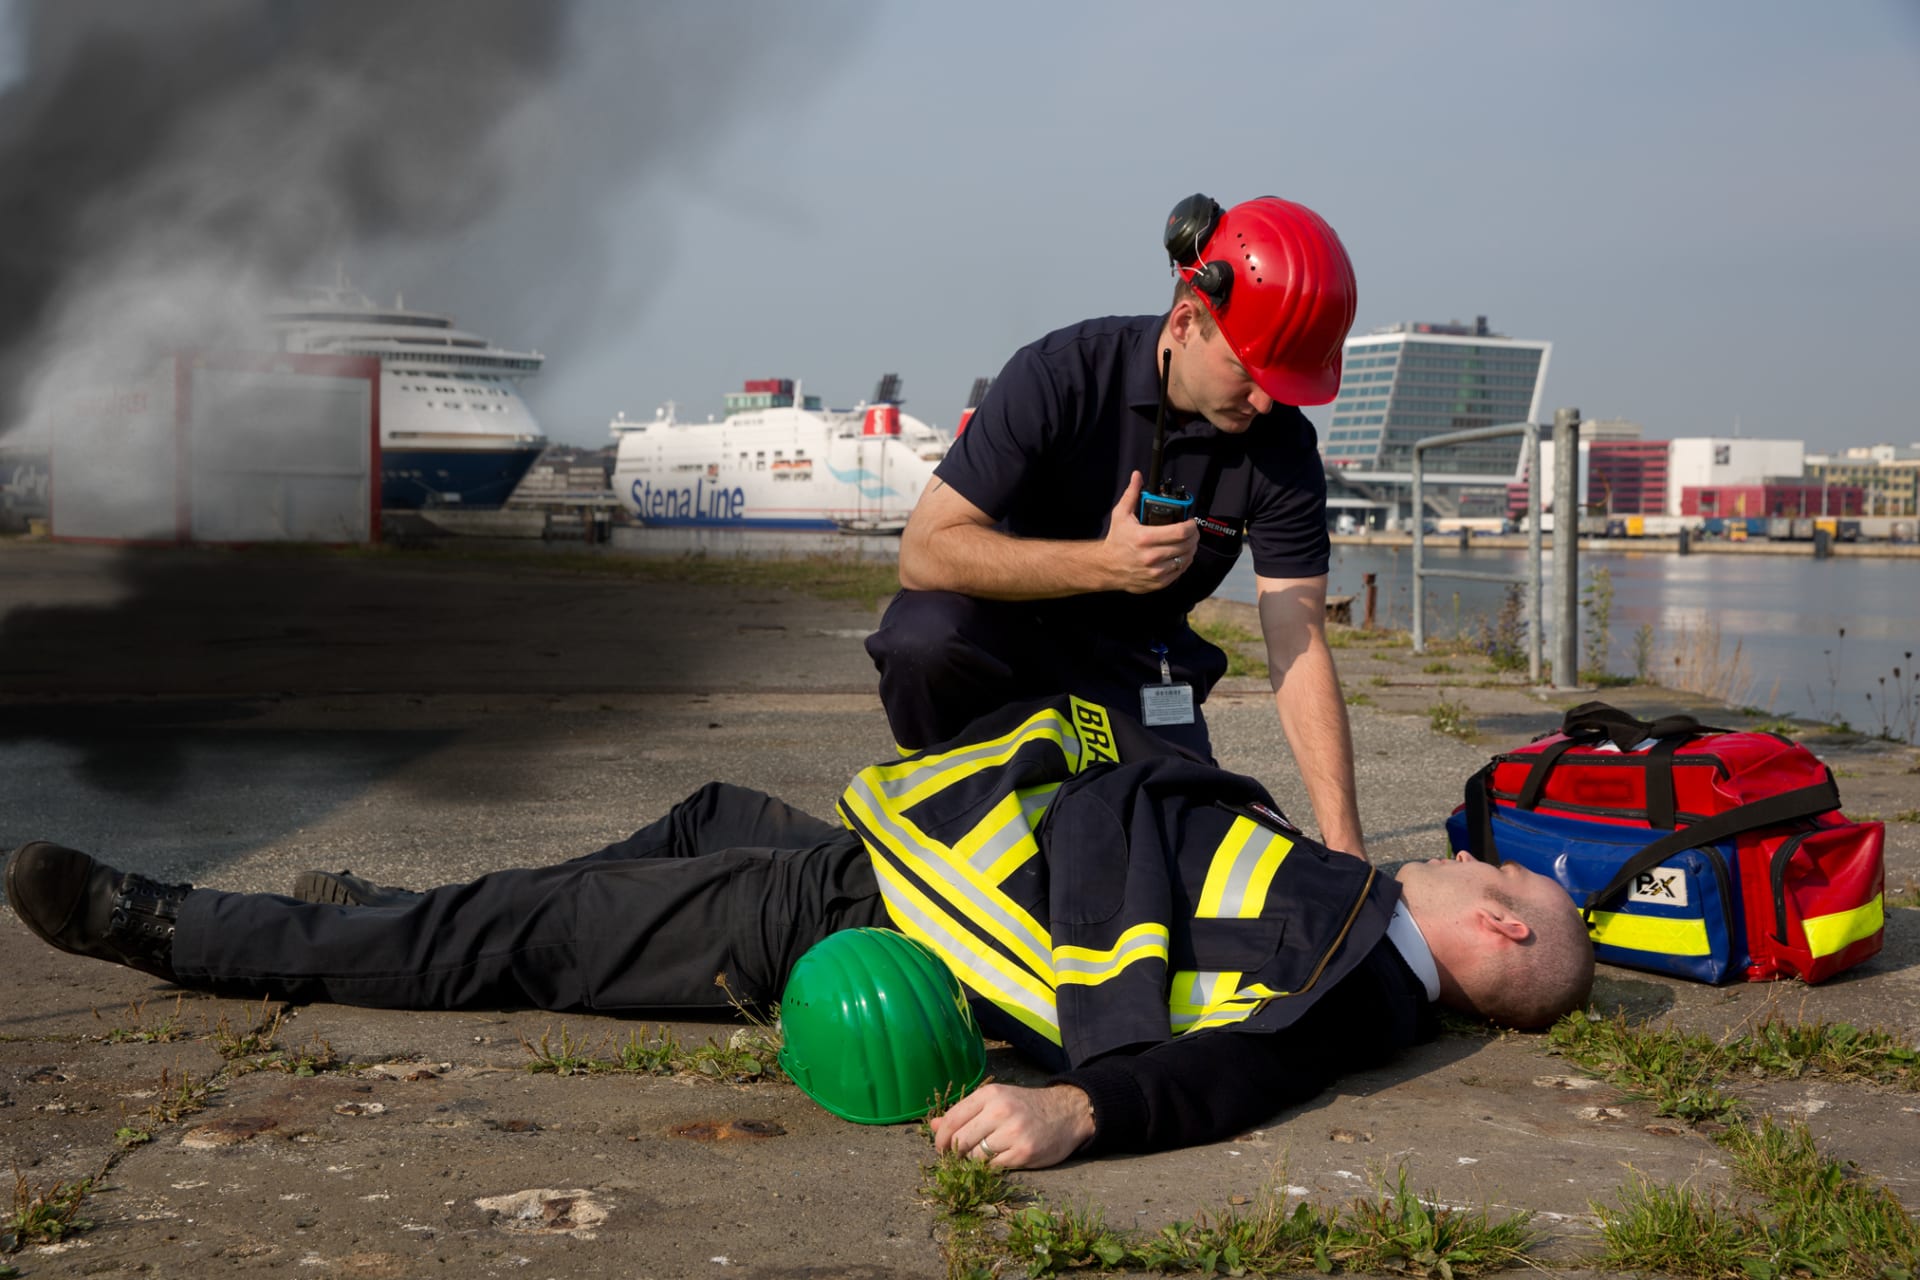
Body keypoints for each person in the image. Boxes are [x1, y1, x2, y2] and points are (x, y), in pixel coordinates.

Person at [5, 697, 1592, 1170]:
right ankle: (406, 923)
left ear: (1504, 935)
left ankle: (181, 928)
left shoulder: (1346, 965)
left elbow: (1237, 1076)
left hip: (864, 922)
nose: (1464, 853)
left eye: (1496, 874)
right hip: (885, 866)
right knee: (698, 809)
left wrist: (1079, 1107)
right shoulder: (1343, 913)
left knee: (533, 939)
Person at [866, 193, 1369, 857]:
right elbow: (925, 552)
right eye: (1250, 372)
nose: (1266, 401)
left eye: (1285, 383)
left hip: (1141, 671)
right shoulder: (1059, 376)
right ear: (1187, 321)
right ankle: (942, 809)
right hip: (1008, 645)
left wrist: (1348, 850)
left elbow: (1297, 642)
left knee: (1183, 851)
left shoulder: (1282, 446)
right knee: (922, 639)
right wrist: (1104, 564)